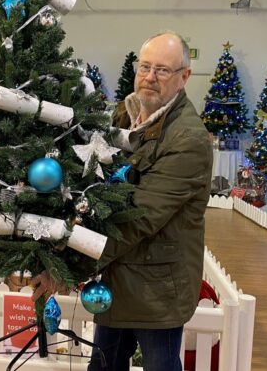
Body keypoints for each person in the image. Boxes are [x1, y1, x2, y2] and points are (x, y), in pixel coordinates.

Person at [31, 32, 212, 371]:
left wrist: (67, 267)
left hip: (157, 290)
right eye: (145, 67)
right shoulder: (123, 118)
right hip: (115, 278)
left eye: (163, 70)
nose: (150, 77)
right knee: (103, 365)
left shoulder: (188, 139)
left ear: (184, 77)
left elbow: (137, 218)